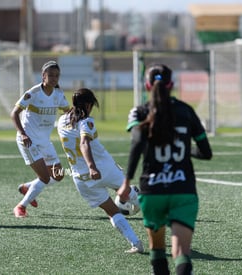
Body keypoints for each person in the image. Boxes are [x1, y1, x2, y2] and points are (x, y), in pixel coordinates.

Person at [118, 64, 212, 274]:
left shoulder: (139, 111)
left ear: (147, 85)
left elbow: (137, 143)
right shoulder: (186, 111)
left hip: (153, 190)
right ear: (172, 85)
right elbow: (206, 152)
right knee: (181, 253)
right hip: (183, 189)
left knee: (158, 251)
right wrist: (187, 150)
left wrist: (126, 181)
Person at [57, 88, 144, 254]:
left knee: (112, 212)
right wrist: (92, 165)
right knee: (129, 193)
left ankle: (135, 242)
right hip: (103, 169)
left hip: (82, 179)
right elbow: (84, 143)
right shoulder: (86, 121)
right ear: (89, 104)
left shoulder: (61, 121)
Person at [11, 60, 70, 218]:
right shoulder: (34, 93)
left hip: (44, 141)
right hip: (28, 141)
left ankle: (27, 187)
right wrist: (23, 134)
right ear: (43, 76)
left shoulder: (58, 95)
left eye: (56, 76)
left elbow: (68, 111)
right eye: (50, 75)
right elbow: (14, 113)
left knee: (58, 175)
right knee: (44, 177)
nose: (54, 78)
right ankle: (21, 206)